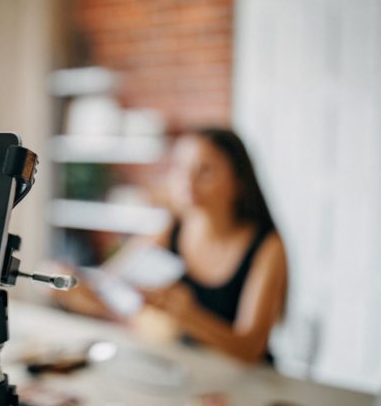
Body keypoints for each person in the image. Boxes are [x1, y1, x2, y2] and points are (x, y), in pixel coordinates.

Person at [54, 128, 287, 364]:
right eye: (181, 168)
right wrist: (74, 285)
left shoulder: (268, 246)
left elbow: (251, 349)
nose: (188, 181)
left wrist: (188, 316)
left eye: (205, 170)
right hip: (192, 368)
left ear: (238, 181)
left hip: (247, 380)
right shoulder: (171, 228)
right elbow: (109, 285)